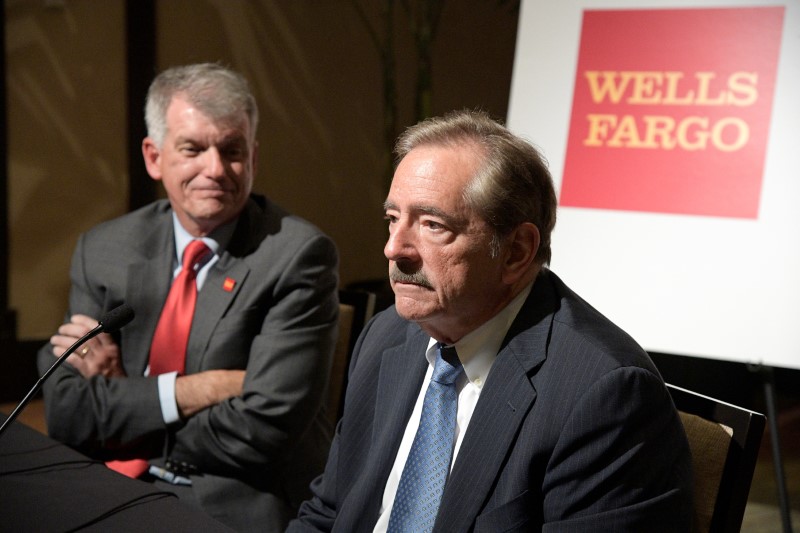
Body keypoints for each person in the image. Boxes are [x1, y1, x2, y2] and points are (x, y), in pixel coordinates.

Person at [288, 109, 693, 532]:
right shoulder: (388, 335)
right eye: (393, 219)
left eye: (432, 225)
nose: (395, 249)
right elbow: (329, 512)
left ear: (516, 251)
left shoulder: (603, 394)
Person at [37, 63, 339, 532]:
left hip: (229, 497)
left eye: (232, 150)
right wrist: (198, 389)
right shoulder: (105, 249)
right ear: (154, 157)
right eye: (193, 149)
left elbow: (263, 431)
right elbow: (66, 410)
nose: (215, 170)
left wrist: (124, 397)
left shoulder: (297, 256)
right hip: (107, 483)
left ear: (253, 157)